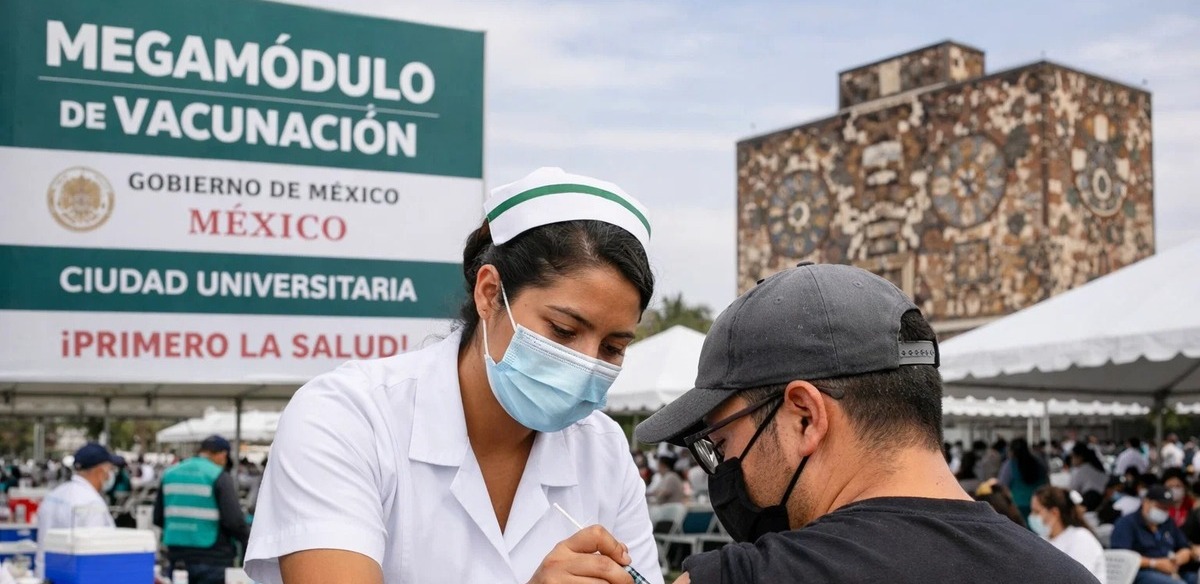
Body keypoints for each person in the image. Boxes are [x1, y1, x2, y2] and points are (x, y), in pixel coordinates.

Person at [244, 168, 662, 584]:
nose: (586, 363)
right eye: (563, 331)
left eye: (613, 348)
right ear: (489, 294)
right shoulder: (346, 418)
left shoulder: (604, 454)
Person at [632, 263, 1097, 583]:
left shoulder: (746, 576)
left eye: (721, 443)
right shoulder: (1070, 575)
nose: (725, 467)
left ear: (805, 418)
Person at [155, 435, 251, 584]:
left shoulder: (169, 474)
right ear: (222, 455)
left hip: (176, 557)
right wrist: (247, 542)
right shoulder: (218, 475)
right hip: (212, 558)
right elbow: (234, 521)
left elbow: (158, 518)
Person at [35, 443, 120, 580]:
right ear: (100, 471)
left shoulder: (54, 495)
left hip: (47, 576)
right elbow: (95, 554)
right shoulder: (91, 503)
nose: (110, 475)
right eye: (110, 469)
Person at [1111, 485, 1197, 584]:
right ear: (1146, 502)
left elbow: (1184, 547)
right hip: (1140, 573)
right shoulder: (1126, 523)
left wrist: (1180, 557)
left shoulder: (1168, 523)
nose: (1163, 511)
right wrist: (1154, 563)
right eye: (1160, 506)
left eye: (1166, 508)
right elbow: (1121, 557)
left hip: (1171, 570)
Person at [1031, 486, 1107, 583]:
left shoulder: (1081, 539)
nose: (1032, 516)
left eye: (1037, 511)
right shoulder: (1042, 539)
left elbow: (1077, 579)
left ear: (1054, 513)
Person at [999, 437, 1049, 519]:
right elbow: (1046, 482)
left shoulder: (1009, 465)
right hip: (1038, 505)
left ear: (1011, 451)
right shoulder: (1039, 463)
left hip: (1017, 506)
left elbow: (1002, 485)